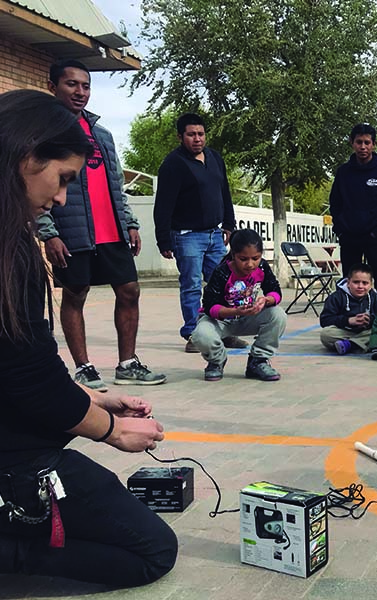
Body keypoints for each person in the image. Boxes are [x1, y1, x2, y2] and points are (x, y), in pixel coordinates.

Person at [0, 89, 176, 586]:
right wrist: (112, 429)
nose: (60, 198)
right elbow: (30, 381)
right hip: (16, 458)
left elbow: (18, 366)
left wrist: (96, 396)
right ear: (29, 156)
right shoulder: (10, 250)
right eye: (63, 180)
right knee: (152, 550)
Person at [36, 59, 165, 391]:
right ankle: (84, 368)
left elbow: (115, 184)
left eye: (86, 86)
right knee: (76, 294)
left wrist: (130, 223)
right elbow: (35, 186)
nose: (80, 92)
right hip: (72, 232)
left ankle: (128, 364)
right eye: (72, 84)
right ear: (53, 87)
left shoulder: (102, 135)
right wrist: (49, 233)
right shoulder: (43, 133)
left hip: (111, 231)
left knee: (130, 291)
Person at [154, 113, 240, 353]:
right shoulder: (173, 164)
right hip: (186, 235)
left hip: (215, 234)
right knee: (191, 285)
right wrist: (164, 239)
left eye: (200, 134)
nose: (197, 139)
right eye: (191, 134)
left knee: (224, 284)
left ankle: (225, 332)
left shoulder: (214, 158)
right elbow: (163, 205)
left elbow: (225, 192)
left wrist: (229, 225)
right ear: (180, 136)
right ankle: (193, 334)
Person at [191, 229, 287, 382]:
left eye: (255, 258)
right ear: (233, 255)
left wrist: (266, 300)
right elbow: (209, 306)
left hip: (247, 317)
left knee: (278, 315)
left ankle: (258, 360)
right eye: (243, 259)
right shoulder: (222, 271)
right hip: (220, 320)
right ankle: (217, 360)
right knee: (200, 335)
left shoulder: (262, 268)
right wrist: (234, 311)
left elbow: (275, 291)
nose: (250, 264)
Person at [329, 123, 377, 300]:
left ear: (373, 144)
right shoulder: (343, 172)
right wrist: (340, 229)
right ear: (352, 143)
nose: (363, 147)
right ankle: (350, 320)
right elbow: (335, 203)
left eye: (367, 142)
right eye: (359, 142)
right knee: (350, 285)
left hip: (374, 239)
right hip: (349, 238)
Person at [319, 263, 377, 354]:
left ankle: (350, 345)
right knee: (326, 334)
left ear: (371, 284)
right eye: (356, 282)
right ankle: (360, 345)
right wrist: (348, 321)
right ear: (348, 282)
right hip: (345, 332)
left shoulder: (375, 298)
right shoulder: (336, 297)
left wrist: (370, 320)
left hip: (366, 332)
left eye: (365, 283)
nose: (360, 286)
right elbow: (325, 320)